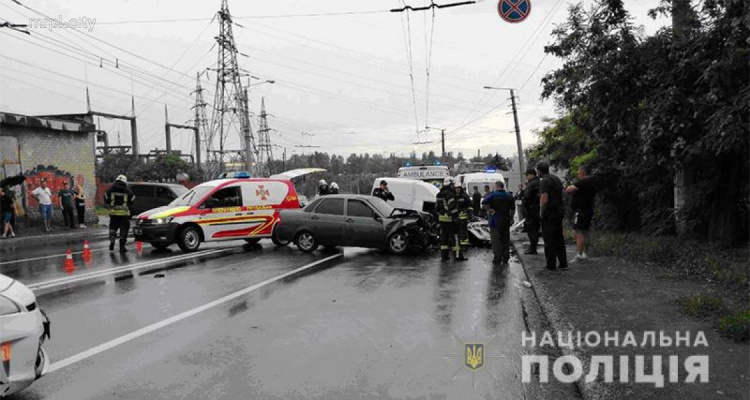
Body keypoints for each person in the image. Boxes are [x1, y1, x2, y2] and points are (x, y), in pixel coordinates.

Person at [537, 161, 567, 270]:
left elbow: (544, 199)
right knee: (559, 238)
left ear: (539, 170)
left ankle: (551, 265)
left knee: (549, 240)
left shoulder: (544, 181)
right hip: (559, 212)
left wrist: (541, 213)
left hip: (549, 214)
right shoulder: (556, 179)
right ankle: (563, 263)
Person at [566, 164, 598, 262]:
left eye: (579, 171)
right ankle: (585, 253)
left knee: (579, 232)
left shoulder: (583, 182)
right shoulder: (593, 181)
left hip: (581, 210)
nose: (578, 173)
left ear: (583, 172)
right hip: (589, 209)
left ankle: (579, 255)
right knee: (586, 231)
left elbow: (569, 189)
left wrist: (568, 186)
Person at [482, 181, 515, 264]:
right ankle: (505, 257)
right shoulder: (509, 195)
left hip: (494, 220)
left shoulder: (493, 195)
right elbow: (513, 209)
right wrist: (511, 218)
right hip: (505, 220)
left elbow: (484, 202)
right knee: (505, 239)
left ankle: (497, 258)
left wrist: (489, 210)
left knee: (496, 240)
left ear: (496, 186)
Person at [104, 175, 136, 252]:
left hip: (113, 213)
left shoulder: (110, 190)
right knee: (124, 229)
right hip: (124, 214)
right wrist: (131, 214)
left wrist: (109, 207)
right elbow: (132, 202)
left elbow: (105, 198)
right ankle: (122, 247)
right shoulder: (128, 191)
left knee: (113, 228)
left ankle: (112, 240)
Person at [436, 177, 458, 261]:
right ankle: (457, 255)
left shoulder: (439, 193)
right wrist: (456, 215)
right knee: (454, 237)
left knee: (444, 238)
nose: (453, 186)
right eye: (452, 184)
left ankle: (444, 256)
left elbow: (437, 207)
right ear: (449, 184)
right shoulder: (450, 194)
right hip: (450, 218)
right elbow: (452, 207)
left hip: (442, 219)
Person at [522, 168, 541, 255]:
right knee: (536, 228)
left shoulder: (531, 184)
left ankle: (533, 248)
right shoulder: (540, 182)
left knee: (531, 229)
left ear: (531, 175)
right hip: (538, 209)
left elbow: (527, 196)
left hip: (531, 209)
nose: (526, 177)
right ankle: (534, 246)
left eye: (527, 175)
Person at [454, 183, 472, 260]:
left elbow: (470, 205)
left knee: (463, 231)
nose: (457, 189)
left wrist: (469, 213)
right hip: (455, 217)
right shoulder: (453, 196)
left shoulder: (464, 196)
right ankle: (459, 245)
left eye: (458, 188)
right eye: (456, 188)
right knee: (457, 232)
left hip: (463, 217)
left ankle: (464, 245)